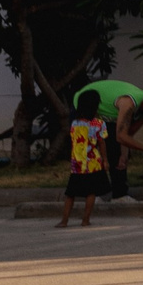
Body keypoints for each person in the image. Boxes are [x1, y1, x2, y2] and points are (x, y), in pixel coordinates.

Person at [57, 90, 109, 228]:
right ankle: (85, 220)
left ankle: (64, 220)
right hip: (93, 163)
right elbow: (102, 143)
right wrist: (105, 160)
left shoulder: (75, 124)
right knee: (90, 192)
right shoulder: (99, 124)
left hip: (77, 163)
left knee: (70, 193)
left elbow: (74, 143)